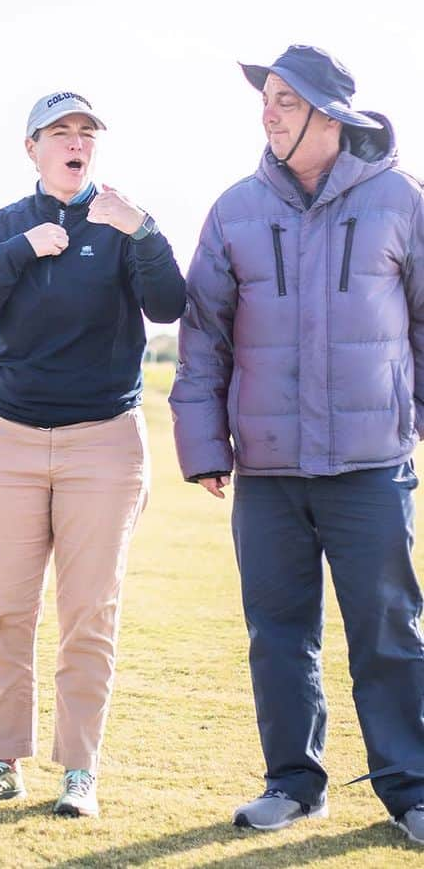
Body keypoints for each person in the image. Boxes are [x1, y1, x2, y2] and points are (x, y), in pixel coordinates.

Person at [169, 44, 424, 842]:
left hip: (370, 466)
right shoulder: (234, 209)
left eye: (285, 99)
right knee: (277, 633)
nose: (268, 111)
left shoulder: (401, 201)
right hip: (270, 472)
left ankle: (413, 789)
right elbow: (203, 335)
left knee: (388, 631)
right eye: (267, 99)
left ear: (331, 115)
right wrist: (205, 444)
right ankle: (293, 783)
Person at [0, 90, 186, 816]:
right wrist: (20, 252)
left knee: (88, 612)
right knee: (4, 610)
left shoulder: (122, 223)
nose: (75, 142)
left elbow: (170, 303)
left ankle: (79, 769)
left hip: (103, 444)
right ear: (32, 148)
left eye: (86, 132)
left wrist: (141, 230)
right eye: (60, 132)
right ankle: (0, 758)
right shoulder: (5, 226)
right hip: (8, 441)